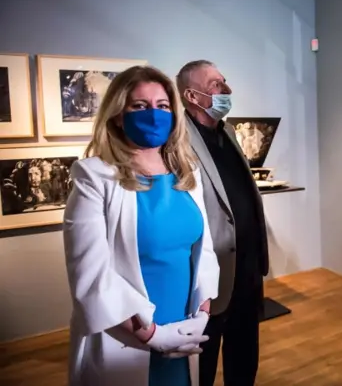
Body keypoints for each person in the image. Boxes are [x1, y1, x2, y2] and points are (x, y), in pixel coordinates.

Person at [63, 65, 220, 386]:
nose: (154, 114)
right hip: (127, 332)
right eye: (139, 106)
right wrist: (152, 336)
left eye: (162, 106)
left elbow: (203, 250)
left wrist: (201, 314)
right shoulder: (94, 176)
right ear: (119, 115)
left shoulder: (186, 173)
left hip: (183, 327)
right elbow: (90, 273)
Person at [176, 60, 269, 386]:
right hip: (208, 272)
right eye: (216, 84)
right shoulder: (176, 140)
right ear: (192, 95)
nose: (226, 90)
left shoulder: (228, 131)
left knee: (244, 355)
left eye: (225, 82)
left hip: (247, 266)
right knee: (203, 360)